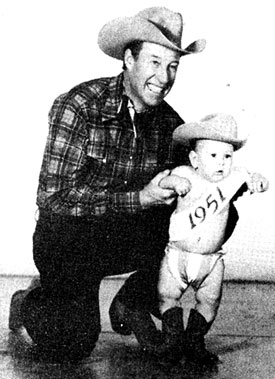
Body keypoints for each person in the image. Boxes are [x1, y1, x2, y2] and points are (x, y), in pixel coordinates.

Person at [8, 7, 208, 363]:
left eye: (173, 65)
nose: (164, 77)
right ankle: (28, 303)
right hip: (69, 239)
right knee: (69, 343)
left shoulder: (170, 124)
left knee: (217, 212)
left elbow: (187, 207)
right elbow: (53, 197)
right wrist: (140, 198)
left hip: (122, 236)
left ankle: (132, 300)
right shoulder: (80, 106)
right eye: (155, 62)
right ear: (129, 59)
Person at [146, 113, 268, 365]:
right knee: (166, 296)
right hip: (177, 257)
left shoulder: (234, 178)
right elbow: (163, 181)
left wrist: (259, 182)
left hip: (210, 261)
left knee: (210, 301)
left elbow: (254, 179)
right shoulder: (185, 174)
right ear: (195, 159)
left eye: (227, 156)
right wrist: (174, 182)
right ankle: (172, 342)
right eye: (213, 156)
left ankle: (194, 341)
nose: (221, 163)